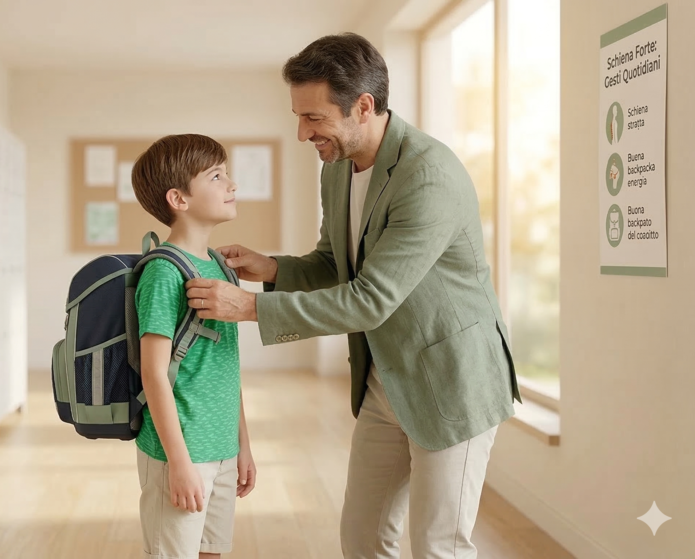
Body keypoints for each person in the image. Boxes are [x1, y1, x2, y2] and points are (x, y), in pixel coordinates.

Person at [183, 33, 520, 559]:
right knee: (362, 539)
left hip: (452, 382)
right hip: (386, 378)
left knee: (438, 546)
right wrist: (269, 267)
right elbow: (333, 263)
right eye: (298, 116)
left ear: (363, 107)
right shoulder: (337, 168)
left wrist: (247, 307)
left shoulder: (428, 176)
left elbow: (369, 299)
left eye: (313, 118)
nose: (301, 133)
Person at [131, 134, 257, 559]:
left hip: (221, 448)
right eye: (217, 176)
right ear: (178, 199)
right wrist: (179, 464)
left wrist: (241, 445)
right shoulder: (164, 272)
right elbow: (153, 375)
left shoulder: (220, 266)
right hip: (180, 454)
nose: (232, 184)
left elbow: (226, 364)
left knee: (211, 553)